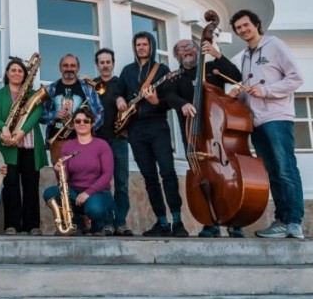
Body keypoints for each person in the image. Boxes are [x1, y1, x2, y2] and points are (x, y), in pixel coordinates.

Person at [229, 9, 305, 240]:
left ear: (256, 24)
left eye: (246, 25)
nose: (243, 30)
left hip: (277, 118)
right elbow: (251, 89)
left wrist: (266, 91)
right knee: (273, 173)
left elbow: (296, 78)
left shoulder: (275, 45)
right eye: (238, 28)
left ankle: (294, 222)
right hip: (257, 122)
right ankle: (281, 221)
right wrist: (238, 93)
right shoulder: (245, 55)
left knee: (286, 170)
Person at [167, 38, 245, 238]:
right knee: (204, 179)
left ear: (198, 50)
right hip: (193, 136)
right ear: (176, 55)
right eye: (181, 48)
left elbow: (236, 76)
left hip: (218, 135)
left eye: (190, 46)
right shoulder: (176, 77)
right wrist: (183, 104)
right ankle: (210, 222)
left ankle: (234, 221)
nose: (186, 50)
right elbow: (168, 96)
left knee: (226, 178)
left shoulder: (211, 68)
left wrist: (217, 54)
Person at [115, 32, 188, 237]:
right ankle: (162, 222)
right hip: (135, 130)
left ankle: (178, 221)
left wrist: (157, 102)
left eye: (145, 44)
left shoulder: (163, 70)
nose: (141, 47)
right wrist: (119, 99)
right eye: (138, 44)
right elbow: (118, 91)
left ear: (151, 46)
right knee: (149, 177)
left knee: (168, 173)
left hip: (157, 127)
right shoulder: (127, 71)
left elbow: (169, 99)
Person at [0, 58, 49, 235]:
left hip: (29, 145)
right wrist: (4, 127)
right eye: (13, 70)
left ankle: (32, 225)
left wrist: (21, 131)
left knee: (31, 185)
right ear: (7, 73)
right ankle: (11, 225)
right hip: (7, 147)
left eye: (20, 71)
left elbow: (37, 113)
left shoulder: (32, 94)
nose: (16, 73)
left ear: (25, 75)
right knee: (11, 185)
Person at [43, 109, 114, 236]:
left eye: (86, 121)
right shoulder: (68, 146)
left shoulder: (102, 145)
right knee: (50, 193)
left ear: (91, 124)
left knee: (94, 209)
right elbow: (64, 181)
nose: (82, 123)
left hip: (98, 192)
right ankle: (77, 225)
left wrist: (88, 193)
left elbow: (107, 174)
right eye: (78, 121)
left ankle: (97, 227)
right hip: (75, 192)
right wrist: (60, 171)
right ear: (73, 124)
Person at [92, 48, 133, 236]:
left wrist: (123, 101)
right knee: (103, 184)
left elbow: (132, 109)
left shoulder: (122, 84)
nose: (105, 65)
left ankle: (121, 222)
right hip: (99, 141)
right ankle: (107, 223)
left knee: (122, 183)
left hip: (118, 140)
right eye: (102, 62)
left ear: (113, 64)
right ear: (97, 65)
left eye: (108, 62)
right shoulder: (92, 87)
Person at [40, 54, 104, 166]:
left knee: (84, 176)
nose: (69, 69)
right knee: (62, 178)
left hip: (83, 141)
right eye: (65, 65)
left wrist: (85, 126)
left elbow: (99, 112)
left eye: (73, 65)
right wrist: (54, 115)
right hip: (58, 141)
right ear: (60, 68)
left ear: (78, 68)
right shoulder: (50, 89)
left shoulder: (88, 89)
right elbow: (40, 115)